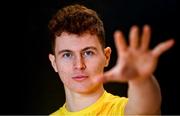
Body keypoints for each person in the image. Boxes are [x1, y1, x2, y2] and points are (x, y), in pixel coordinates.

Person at [48, 4, 174, 115]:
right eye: (67, 55)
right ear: (54, 63)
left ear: (106, 56)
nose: (79, 65)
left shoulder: (122, 110)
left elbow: (145, 111)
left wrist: (140, 79)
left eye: (88, 53)